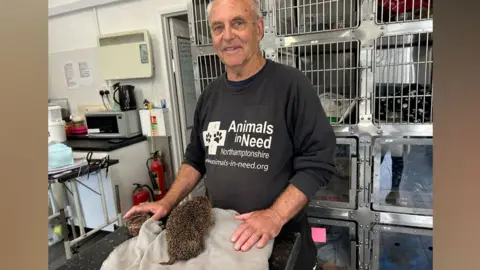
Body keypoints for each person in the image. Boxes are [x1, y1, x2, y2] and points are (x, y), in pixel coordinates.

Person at [124, 0, 337, 269]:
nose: (228, 36)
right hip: (224, 241)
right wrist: (167, 201)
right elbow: (195, 159)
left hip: (281, 241)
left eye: (238, 23)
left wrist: (275, 215)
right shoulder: (210, 96)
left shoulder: (292, 86)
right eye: (217, 27)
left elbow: (318, 162)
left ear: (258, 28)